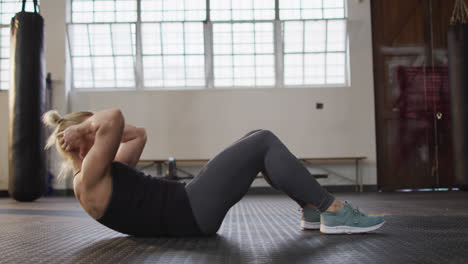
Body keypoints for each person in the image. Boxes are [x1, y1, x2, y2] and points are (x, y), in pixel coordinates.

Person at [43, 108, 385, 237]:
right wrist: (87, 127)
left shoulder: (101, 174)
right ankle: (333, 210)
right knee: (264, 141)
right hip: (189, 211)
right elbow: (114, 118)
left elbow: (137, 134)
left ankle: (312, 210)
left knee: (254, 137)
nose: (96, 133)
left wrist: (84, 130)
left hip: (187, 204)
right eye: (90, 133)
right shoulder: (87, 178)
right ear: (77, 143)